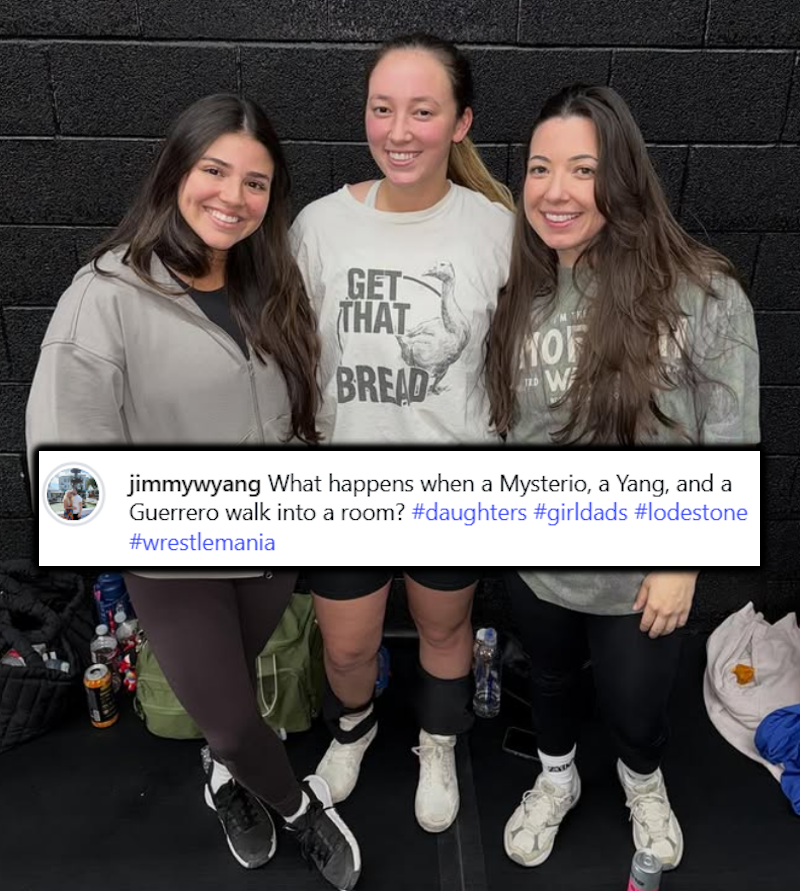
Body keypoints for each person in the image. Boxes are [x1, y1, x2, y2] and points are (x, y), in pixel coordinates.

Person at [26, 93, 360, 890]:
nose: (233, 197)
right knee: (239, 718)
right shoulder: (103, 297)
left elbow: (298, 413)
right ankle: (295, 805)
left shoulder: (267, 283)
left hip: (269, 543)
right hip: (173, 560)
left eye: (256, 182)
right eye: (215, 171)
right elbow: (64, 467)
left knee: (231, 693)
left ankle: (222, 774)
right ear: (177, 170)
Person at [485, 84, 759, 870]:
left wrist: (682, 559)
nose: (556, 190)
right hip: (541, 563)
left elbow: (733, 439)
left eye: (582, 168)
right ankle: (557, 776)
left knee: (638, 709)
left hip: (644, 575)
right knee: (551, 684)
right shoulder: (523, 293)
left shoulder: (703, 292)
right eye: (539, 169)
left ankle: (644, 782)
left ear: (625, 176)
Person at [289, 34, 515, 832]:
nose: (399, 129)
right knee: (347, 648)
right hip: (344, 480)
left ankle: (438, 739)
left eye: (423, 110)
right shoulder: (318, 226)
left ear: (460, 123)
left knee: (443, 627)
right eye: (383, 108)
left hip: (450, 479)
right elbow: (288, 353)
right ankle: (353, 730)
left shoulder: (496, 228)